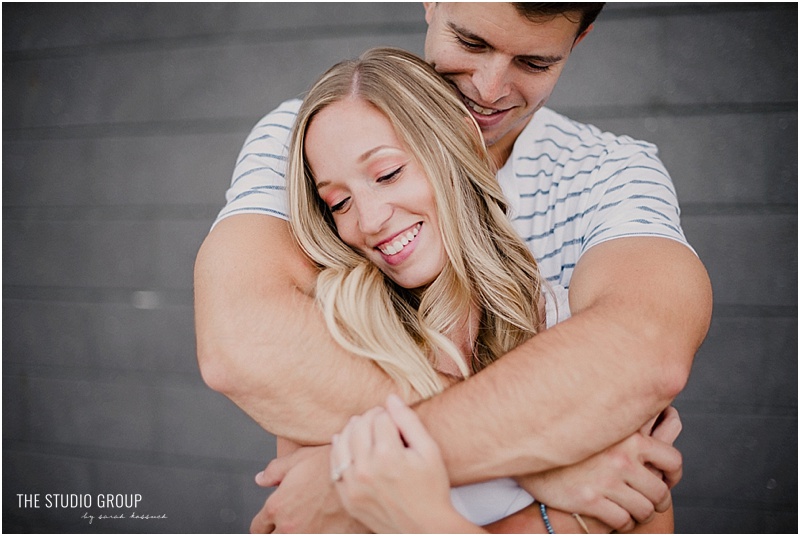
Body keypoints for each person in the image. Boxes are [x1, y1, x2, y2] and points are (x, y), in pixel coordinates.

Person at [193, 2, 712, 532]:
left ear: (576, 42)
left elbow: (647, 350)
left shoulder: (611, 179)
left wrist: (370, 471)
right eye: (471, 42)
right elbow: (240, 340)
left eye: (534, 63)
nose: (489, 90)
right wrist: (543, 455)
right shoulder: (305, 138)